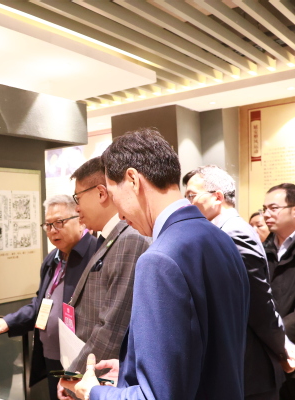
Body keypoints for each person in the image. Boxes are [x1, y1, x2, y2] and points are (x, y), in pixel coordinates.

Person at [62, 127, 249, 400]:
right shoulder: (220, 238)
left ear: (132, 180)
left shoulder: (159, 259)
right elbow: (207, 352)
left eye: (114, 196)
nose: (120, 216)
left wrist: (94, 392)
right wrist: (130, 367)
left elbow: (156, 397)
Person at [184, 165, 295, 400]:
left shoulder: (234, 233)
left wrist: (283, 346)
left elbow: (259, 302)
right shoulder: (221, 231)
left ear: (217, 197)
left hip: (250, 369)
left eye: (192, 196)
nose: (187, 204)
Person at [0, 195, 96, 400]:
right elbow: (40, 304)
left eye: (59, 222)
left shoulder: (95, 254)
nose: (53, 230)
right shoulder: (53, 259)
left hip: (82, 360)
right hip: (51, 355)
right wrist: (9, 321)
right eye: (48, 225)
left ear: (80, 219)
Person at [56, 157, 150, 399]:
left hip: (104, 381)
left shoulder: (129, 239)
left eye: (78, 198)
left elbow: (112, 326)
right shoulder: (109, 238)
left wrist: (73, 378)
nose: (76, 208)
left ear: (101, 193)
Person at [262, 183, 295, 399]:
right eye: (264, 208)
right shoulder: (261, 248)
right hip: (265, 356)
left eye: (273, 208)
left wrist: (276, 337)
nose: (266, 214)